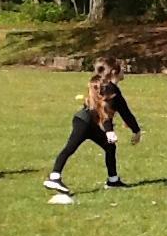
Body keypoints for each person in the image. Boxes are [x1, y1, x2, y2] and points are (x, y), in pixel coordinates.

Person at [43, 58, 142, 194]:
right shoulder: (108, 89)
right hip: (84, 122)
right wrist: (109, 131)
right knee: (70, 147)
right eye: (122, 69)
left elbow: (125, 113)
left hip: (91, 124)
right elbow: (103, 110)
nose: (124, 71)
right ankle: (54, 177)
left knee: (110, 147)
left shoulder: (111, 89)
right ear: (114, 72)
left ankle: (113, 181)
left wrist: (136, 130)